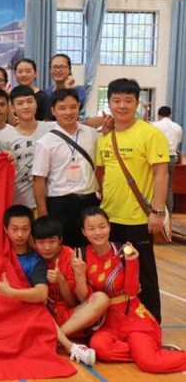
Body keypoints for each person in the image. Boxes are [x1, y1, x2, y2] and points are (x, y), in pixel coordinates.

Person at [95, 78, 169, 323]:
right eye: (116, 100)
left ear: (137, 103)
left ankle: (151, 324)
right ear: (109, 103)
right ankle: (119, 323)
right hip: (109, 218)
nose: (122, 106)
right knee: (114, 274)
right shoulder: (105, 136)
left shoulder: (150, 134)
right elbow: (102, 173)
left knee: (143, 274)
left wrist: (157, 211)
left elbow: (161, 173)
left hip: (138, 219)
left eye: (128, 101)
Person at [78, 207, 186, 373]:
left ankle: (149, 353)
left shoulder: (124, 251)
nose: (98, 232)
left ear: (109, 227)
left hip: (132, 317)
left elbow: (131, 292)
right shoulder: (81, 255)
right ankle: (144, 351)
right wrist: (79, 274)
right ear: (84, 232)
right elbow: (83, 297)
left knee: (150, 363)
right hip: (106, 321)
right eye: (91, 229)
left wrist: (132, 262)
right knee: (100, 348)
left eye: (102, 227)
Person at [0, 206, 97, 366]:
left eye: (24, 229)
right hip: (7, 310)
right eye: (15, 229)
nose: (20, 234)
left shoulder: (39, 260)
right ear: (5, 229)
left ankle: (62, 342)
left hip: (51, 313)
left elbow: (62, 298)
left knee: (38, 305)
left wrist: (10, 292)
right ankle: (59, 341)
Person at [33, 216, 110, 361]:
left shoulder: (70, 256)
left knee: (101, 298)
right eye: (41, 242)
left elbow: (72, 302)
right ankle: (60, 340)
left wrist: (60, 280)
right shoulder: (33, 256)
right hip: (43, 316)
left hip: (70, 318)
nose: (47, 247)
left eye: (52, 241)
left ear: (60, 240)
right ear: (35, 242)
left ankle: (55, 338)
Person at [32, 89, 100, 248]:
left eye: (73, 107)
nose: (68, 112)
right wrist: (43, 213)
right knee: (65, 250)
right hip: (60, 204)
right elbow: (38, 179)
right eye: (62, 108)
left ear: (79, 107)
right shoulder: (46, 142)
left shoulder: (92, 134)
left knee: (91, 248)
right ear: (53, 110)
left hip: (90, 201)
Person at [0, 85, 54, 209]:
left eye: (30, 101)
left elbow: (80, 125)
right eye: (20, 103)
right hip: (19, 203)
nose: (26, 106)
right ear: (12, 108)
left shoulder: (51, 129)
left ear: (36, 103)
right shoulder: (6, 138)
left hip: (49, 202)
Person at [150, 105, 183, 211]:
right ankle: (169, 210)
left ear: (159, 115)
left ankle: (154, 210)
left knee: (154, 184)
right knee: (169, 187)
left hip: (157, 158)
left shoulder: (154, 125)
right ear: (171, 115)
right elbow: (178, 141)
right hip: (172, 157)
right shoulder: (178, 127)